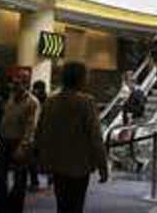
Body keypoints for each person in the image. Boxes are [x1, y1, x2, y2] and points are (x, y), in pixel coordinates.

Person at [36, 62, 108, 213]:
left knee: (62, 204)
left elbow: (41, 131)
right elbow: (95, 137)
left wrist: (42, 159)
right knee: (76, 205)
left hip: (56, 163)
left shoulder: (50, 101)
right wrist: (102, 165)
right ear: (81, 78)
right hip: (79, 166)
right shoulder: (86, 102)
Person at [0, 69, 40, 213]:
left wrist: (23, 146)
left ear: (27, 83)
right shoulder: (10, 98)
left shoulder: (32, 102)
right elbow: (4, 121)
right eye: (16, 78)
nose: (17, 81)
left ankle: (15, 209)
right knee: (0, 178)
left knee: (19, 180)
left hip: (19, 143)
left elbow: (31, 127)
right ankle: (2, 207)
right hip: (4, 141)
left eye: (22, 79)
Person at [29, 80, 49, 192]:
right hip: (36, 133)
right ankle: (34, 180)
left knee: (39, 157)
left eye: (37, 88)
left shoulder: (46, 101)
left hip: (41, 133)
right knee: (32, 158)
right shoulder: (33, 100)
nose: (35, 91)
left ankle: (47, 178)